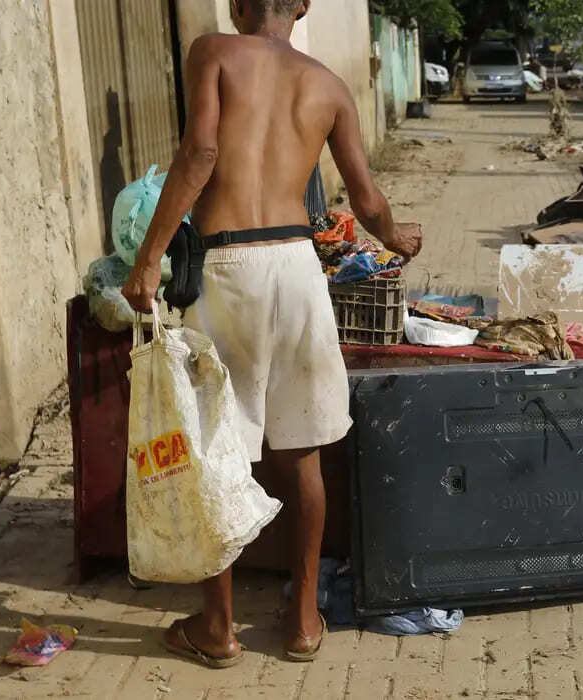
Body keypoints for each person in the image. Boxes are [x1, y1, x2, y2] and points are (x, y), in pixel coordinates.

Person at [121, 0, 421, 667]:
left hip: (228, 271)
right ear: (305, 5)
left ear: (236, 4)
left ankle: (218, 628)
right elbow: (367, 201)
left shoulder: (214, 51)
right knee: (301, 452)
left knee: (220, 450)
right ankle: (305, 617)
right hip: (297, 267)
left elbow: (201, 151)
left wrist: (148, 260)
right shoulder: (328, 84)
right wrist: (398, 238)